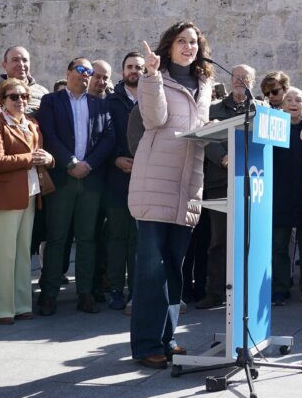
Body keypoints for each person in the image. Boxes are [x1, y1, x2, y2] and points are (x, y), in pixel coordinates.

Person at [128, 22, 213, 369]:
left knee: (176, 268)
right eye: (182, 41)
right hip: (155, 182)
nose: (189, 47)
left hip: (188, 184)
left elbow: (199, 131)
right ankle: (147, 344)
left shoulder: (205, 84)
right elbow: (154, 119)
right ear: (169, 46)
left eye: (193, 42)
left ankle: (167, 338)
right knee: (152, 268)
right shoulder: (156, 77)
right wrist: (150, 76)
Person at [36, 56, 116, 314]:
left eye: (89, 72)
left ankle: (85, 293)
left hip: (90, 180)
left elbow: (108, 139)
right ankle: (48, 295)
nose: (85, 75)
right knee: (57, 238)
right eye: (81, 69)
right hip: (63, 178)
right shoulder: (52, 101)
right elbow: (49, 135)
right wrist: (70, 162)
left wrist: (88, 164)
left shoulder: (100, 105)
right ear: (68, 72)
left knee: (87, 239)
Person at [0, 78, 53, 323]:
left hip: (30, 193)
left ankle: (22, 305)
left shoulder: (31, 123)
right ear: (3, 100)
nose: (20, 100)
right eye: (14, 96)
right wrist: (30, 158)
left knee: (23, 252)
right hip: (4, 196)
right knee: (4, 253)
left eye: (24, 96)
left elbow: (41, 155)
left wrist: (48, 159)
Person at [198, 64, 254, 309]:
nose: (240, 81)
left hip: (252, 183)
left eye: (245, 78)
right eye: (236, 77)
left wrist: (243, 160)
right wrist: (224, 158)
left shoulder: (259, 109)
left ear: (252, 82)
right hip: (220, 182)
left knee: (249, 240)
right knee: (219, 241)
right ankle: (215, 292)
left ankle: (246, 292)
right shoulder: (214, 109)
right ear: (230, 81)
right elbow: (206, 137)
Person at [102, 52, 142, 311]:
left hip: (145, 177)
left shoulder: (153, 100)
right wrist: (116, 158)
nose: (134, 70)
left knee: (139, 238)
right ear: (123, 71)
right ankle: (116, 288)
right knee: (117, 236)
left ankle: (137, 290)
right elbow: (104, 135)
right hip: (117, 177)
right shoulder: (110, 102)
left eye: (139, 67)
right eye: (130, 66)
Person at [273, 87, 302, 305]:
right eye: (288, 99)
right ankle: (280, 288)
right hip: (280, 194)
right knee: (279, 246)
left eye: (298, 100)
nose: (293, 103)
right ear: (282, 105)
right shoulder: (274, 127)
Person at [0, 46, 48, 113]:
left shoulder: (43, 93)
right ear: (4, 65)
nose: (21, 64)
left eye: (25, 60)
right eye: (15, 60)